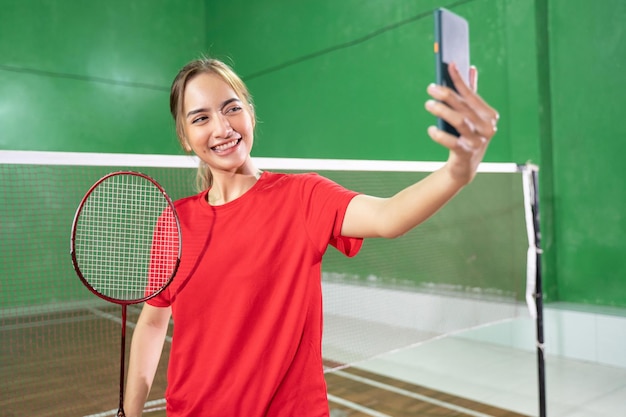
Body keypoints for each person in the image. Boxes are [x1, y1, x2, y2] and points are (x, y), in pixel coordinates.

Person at [124, 56, 499, 417]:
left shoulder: (302, 198)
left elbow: (389, 217)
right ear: (185, 136)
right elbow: (154, 322)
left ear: (250, 113)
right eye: (201, 118)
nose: (222, 128)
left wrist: (457, 171)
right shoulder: (175, 223)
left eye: (231, 108)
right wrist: (130, 411)